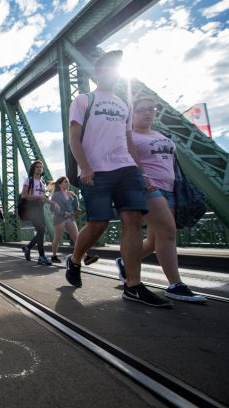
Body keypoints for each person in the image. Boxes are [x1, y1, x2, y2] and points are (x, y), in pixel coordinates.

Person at [66, 50, 171, 307]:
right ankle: (75, 259)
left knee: (133, 220)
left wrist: (140, 170)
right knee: (98, 223)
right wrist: (85, 167)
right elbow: (74, 138)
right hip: (96, 171)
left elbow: (128, 141)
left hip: (126, 169)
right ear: (99, 72)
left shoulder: (125, 105)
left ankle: (133, 285)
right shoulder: (84, 100)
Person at [118, 96, 205, 303]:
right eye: (142, 110)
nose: (148, 113)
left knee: (156, 239)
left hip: (171, 188)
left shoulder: (161, 134)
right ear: (132, 114)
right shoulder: (128, 136)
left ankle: (127, 262)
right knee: (168, 232)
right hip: (148, 188)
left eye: (152, 109)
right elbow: (123, 160)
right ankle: (175, 285)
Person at [49, 177, 100, 265]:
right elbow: (52, 209)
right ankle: (54, 256)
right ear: (60, 184)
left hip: (70, 218)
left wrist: (75, 198)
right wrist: (64, 213)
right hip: (59, 218)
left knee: (77, 237)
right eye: (65, 182)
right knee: (57, 238)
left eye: (68, 182)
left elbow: (76, 207)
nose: (67, 184)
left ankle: (86, 257)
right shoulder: (55, 195)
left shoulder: (71, 195)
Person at [20, 160, 59, 265]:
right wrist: (38, 196)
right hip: (31, 208)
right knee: (41, 230)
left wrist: (52, 202)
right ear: (33, 168)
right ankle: (41, 257)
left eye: (41, 167)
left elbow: (43, 198)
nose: (39, 168)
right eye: (37, 167)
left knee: (42, 231)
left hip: (39, 208)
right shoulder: (29, 181)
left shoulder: (42, 183)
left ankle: (28, 248)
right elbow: (24, 196)